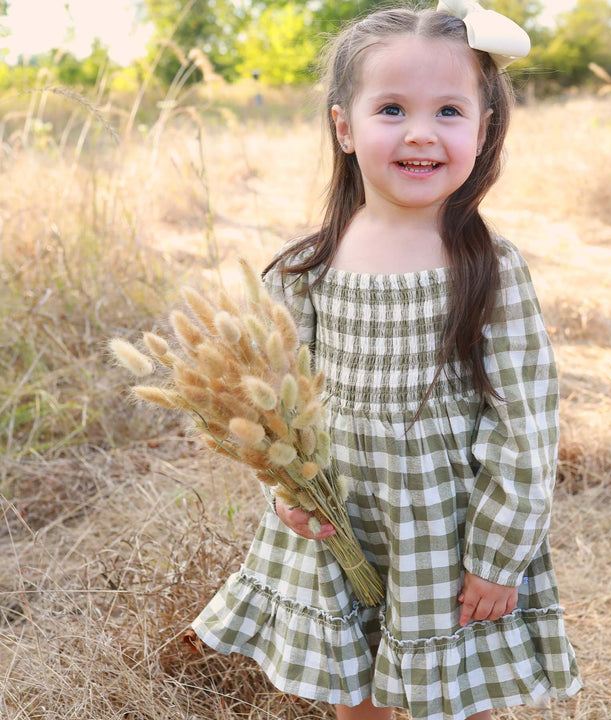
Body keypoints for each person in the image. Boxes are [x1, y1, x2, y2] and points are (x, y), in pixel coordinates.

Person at [191, 2, 582, 718]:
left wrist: (496, 557)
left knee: (454, 694)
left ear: (485, 128)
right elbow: (273, 409)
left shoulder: (488, 268)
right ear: (345, 126)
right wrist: (286, 494)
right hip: (342, 524)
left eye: (450, 112)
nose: (422, 133)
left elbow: (525, 425)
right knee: (357, 696)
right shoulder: (304, 271)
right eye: (393, 108)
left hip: (443, 535)